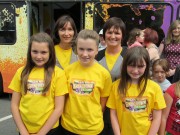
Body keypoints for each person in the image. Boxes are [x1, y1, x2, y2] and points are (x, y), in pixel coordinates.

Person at [9, 33, 68, 135]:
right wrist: (22, 130)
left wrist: (42, 133)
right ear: (29, 52)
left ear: (50, 53)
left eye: (44, 52)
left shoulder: (58, 74)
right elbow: (14, 105)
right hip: (25, 130)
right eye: (35, 52)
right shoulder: (21, 72)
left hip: (50, 130)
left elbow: (59, 108)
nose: (38, 56)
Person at [60, 29, 112, 135]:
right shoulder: (67, 71)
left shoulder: (104, 74)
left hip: (93, 129)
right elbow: (64, 98)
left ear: (97, 50)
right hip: (69, 127)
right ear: (76, 49)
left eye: (89, 50)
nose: (84, 54)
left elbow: (103, 103)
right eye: (81, 49)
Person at [107, 47, 166, 135]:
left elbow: (157, 117)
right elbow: (113, 114)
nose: (135, 70)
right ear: (125, 65)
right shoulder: (116, 86)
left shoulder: (155, 88)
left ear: (147, 66)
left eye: (140, 66)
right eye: (131, 65)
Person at [96, 17, 127, 135]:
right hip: (99, 107)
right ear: (104, 35)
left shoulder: (128, 56)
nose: (112, 36)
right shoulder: (96, 56)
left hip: (121, 108)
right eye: (109, 32)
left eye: (117, 33)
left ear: (122, 36)